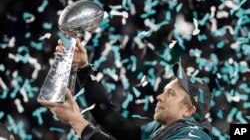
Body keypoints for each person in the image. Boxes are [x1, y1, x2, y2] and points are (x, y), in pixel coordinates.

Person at [38, 39, 214, 140]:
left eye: (171, 93)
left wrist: (77, 121)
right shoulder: (164, 128)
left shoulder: (193, 137)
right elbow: (111, 119)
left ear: (188, 111)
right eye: (164, 90)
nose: (159, 96)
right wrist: (83, 68)